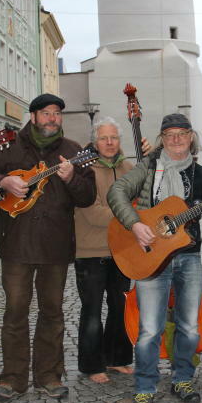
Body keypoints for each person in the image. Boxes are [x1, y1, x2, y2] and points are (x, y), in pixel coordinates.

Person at [107, 113, 202, 403]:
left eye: (182, 133)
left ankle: (182, 380)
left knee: (189, 327)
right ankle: (145, 388)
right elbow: (116, 193)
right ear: (163, 139)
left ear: (192, 137)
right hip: (152, 258)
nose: (176, 139)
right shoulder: (148, 169)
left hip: (190, 258)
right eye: (170, 134)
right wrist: (136, 224)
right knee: (149, 329)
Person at [0, 93, 96, 401]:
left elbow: (87, 196)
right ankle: (12, 379)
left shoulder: (74, 152)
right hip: (16, 244)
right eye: (45, 113)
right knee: (15, 311)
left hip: (55, 246)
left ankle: (49, 375)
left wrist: (72, 178)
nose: (52, 118)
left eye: (57, 113)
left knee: (52, 312)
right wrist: (3, 182)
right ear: (32, 117)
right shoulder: (9, 146)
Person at [73, 117, 149, 384]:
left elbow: (145, 198)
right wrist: (129, 215)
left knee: (120, 307)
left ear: (119, 141)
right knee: (92, 311)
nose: (109, 142)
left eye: (114, 138)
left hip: (122, 250)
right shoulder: (83, 168)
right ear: (95, 140)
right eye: (104, 138)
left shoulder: (129, 168)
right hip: (90, 251)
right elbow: (91, 212)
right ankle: (92, 365)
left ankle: (118, 359)